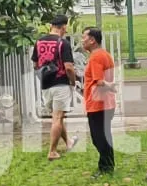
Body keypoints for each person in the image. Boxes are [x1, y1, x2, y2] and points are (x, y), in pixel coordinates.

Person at [32, 15, 78, 161]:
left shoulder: (39, 42)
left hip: (46, 85)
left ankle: (68, 142)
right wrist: (73, 81)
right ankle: (52, 151)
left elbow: (35, 65)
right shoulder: (63, 43)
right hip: (60, 83)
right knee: (57, 118)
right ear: (63, 27)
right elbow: (68, 67)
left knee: (57, 116)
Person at [80, 26, 116, 175]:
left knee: (98, 137)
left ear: (92, 40)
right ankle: (107, 165)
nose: (82, 41)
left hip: (98, 104)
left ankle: (106, 167)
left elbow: (99, 81)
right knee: (105, 135)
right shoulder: (105, 55)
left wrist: (110, 86)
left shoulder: (95, 57)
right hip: (107, 103)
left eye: (84, 37)